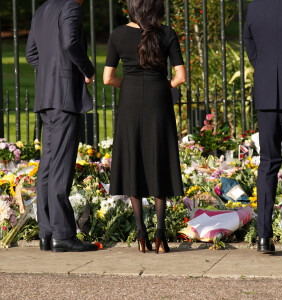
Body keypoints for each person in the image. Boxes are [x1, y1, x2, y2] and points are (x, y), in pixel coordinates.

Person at [103, 0, 186, 254]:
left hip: (129, 104)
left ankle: (141, 234)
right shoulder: (167, 34)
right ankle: (161, 234)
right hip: (159, 103)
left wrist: (128, 85)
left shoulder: (118, 34)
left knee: (133, 159)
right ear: (156, 9)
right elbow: (180, 76)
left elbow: (108, 78)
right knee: (158, 157)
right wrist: (162, 87)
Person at [26, 0, 98, 252]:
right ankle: (63, 234)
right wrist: (86, 69)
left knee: (47, 165)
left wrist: (52, 71)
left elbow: (31, 54)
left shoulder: (42, 9)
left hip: (46, 98)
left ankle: (46, 233)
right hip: (64, 98)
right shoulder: (71, 7)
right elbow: (70, 43)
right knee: (60, 166)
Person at [244, 0, 282, 259]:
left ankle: (264, 237)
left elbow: (250, 44)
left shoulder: (255, 7)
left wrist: (265, 69)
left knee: (268, 163)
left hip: (266, 93)